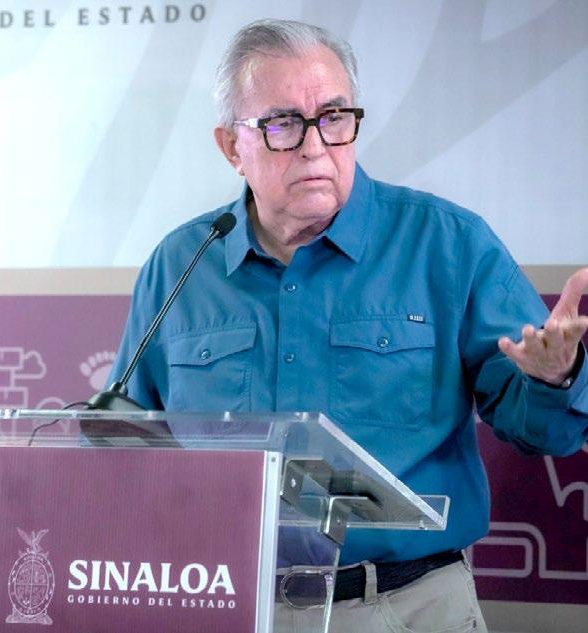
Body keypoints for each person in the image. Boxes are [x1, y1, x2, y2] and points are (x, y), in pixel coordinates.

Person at [108, 19, 588, 632]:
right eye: (283, 123)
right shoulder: (181, 264)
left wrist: (554, 378)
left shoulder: (447, 244)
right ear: (231, 146)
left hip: (406, 607)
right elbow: (126, 446)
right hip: (224, 603)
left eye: (333, 117)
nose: (315, 146)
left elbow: (549, 435)